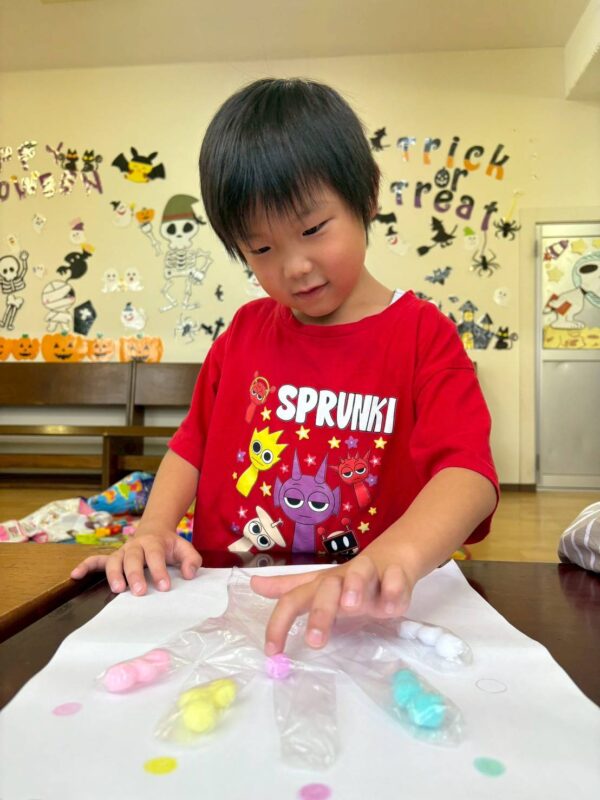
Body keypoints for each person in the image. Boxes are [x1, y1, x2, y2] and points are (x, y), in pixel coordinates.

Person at [72, 77, 498, 655]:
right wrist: (153, 529)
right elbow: (192, 445)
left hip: (360, 616)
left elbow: (468, 476)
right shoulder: (244, 333)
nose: (294, 266)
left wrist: (392, 558)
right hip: (227, 602)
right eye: (262, 249)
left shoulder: (425, 336)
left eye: (312, 229)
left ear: (367, 195)